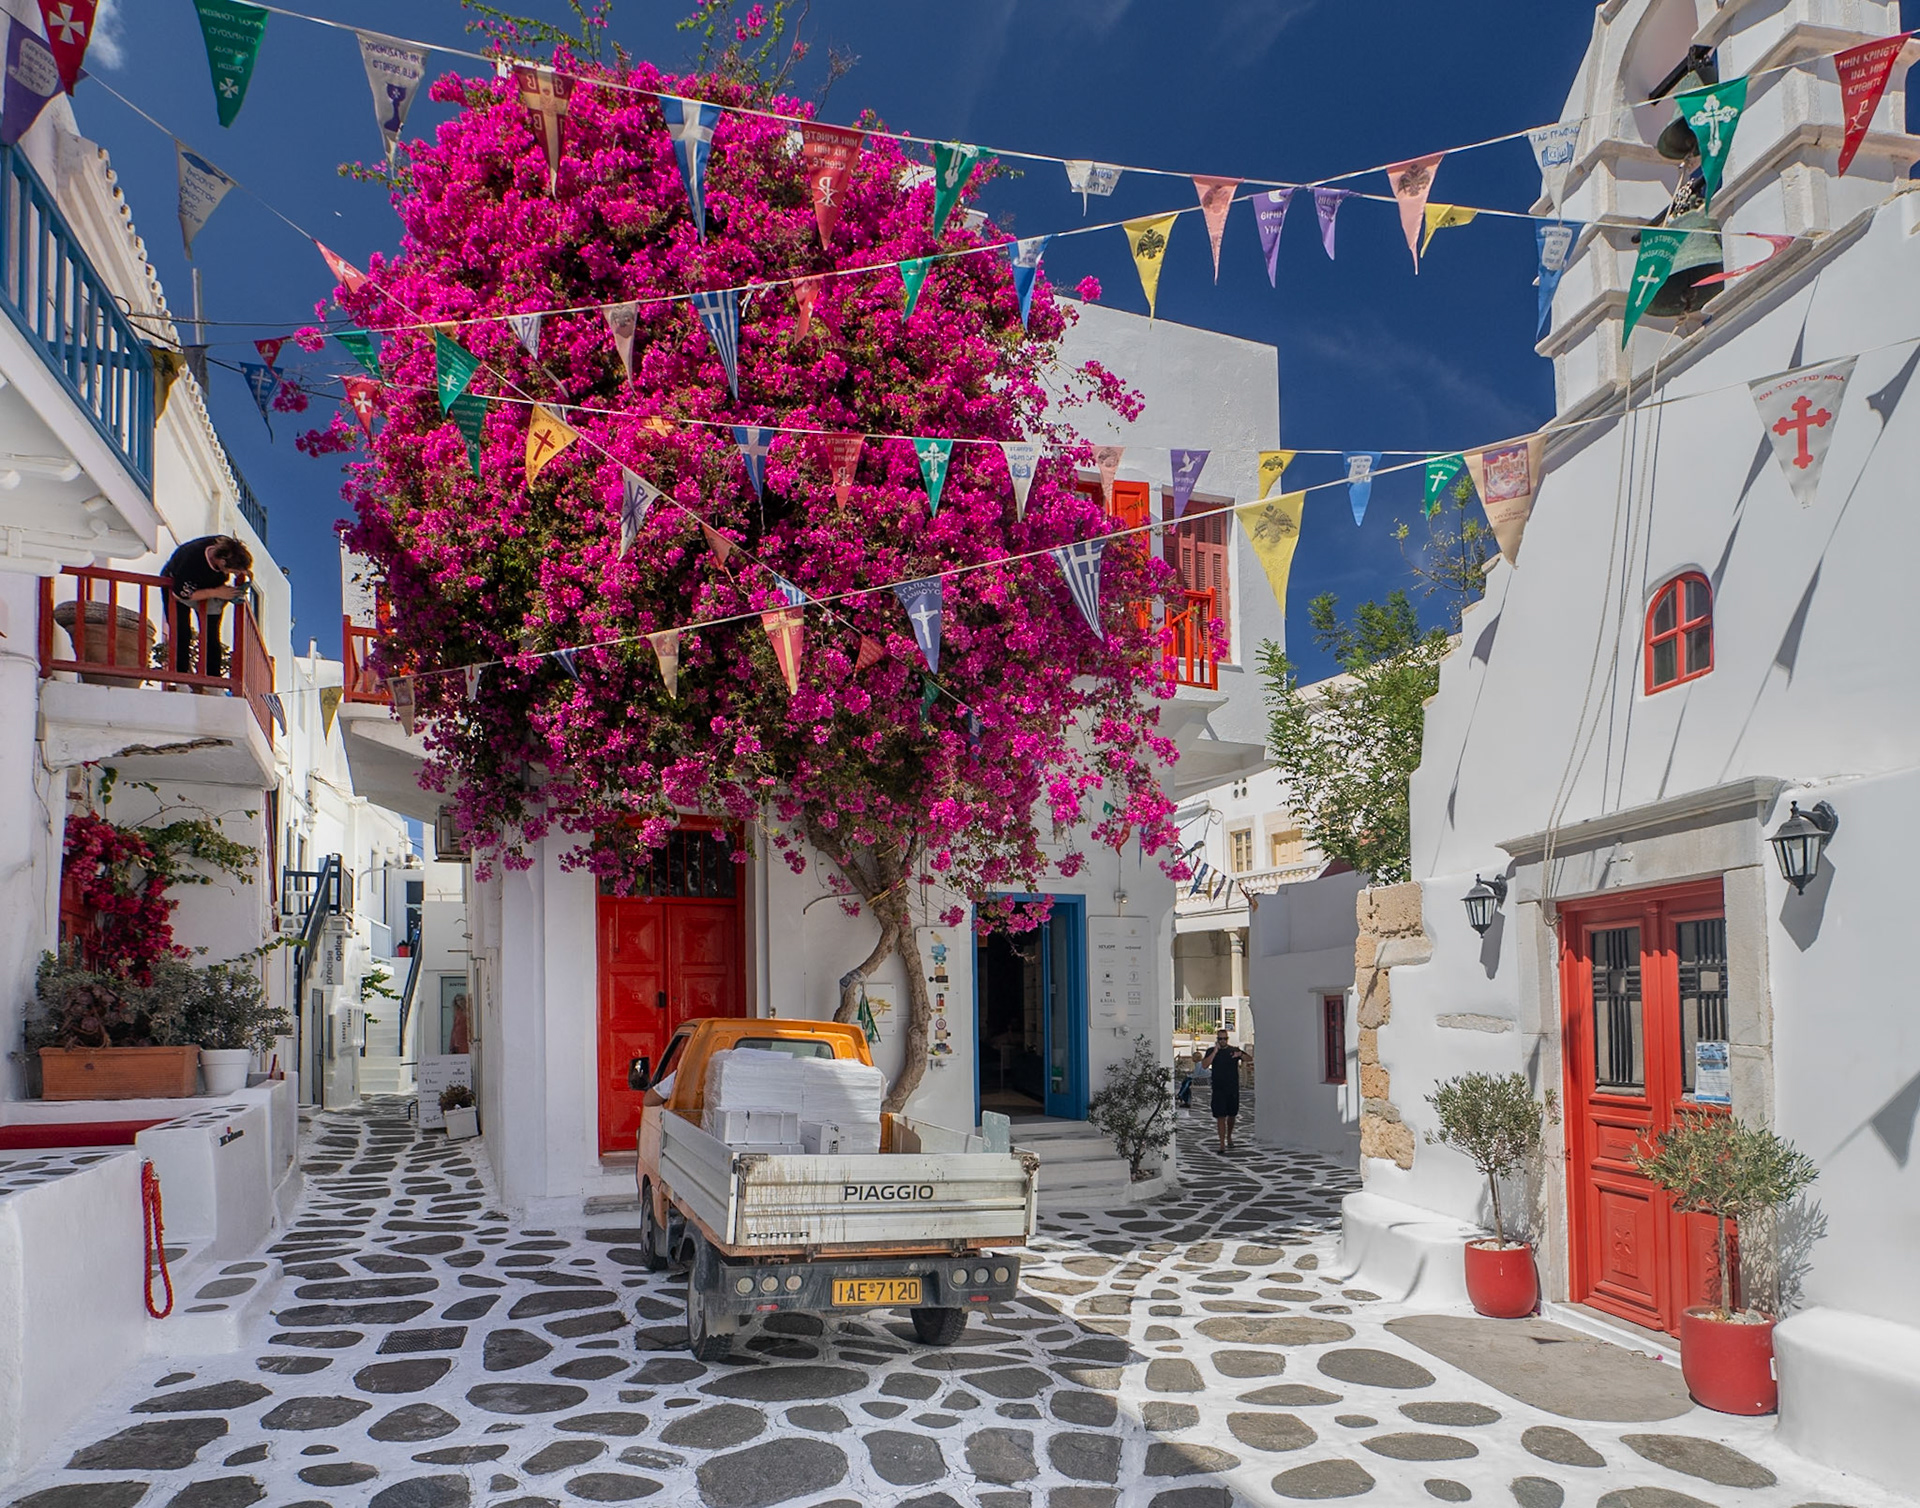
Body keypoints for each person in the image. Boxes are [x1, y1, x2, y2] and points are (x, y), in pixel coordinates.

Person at [161, 535, 253, 677]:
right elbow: (180, 594)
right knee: (182, 631)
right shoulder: (192, 560)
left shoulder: (226, 546)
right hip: (178, 587)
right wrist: (216, 592)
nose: (231, 574)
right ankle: (181, 677)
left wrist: (243, 574)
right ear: (222, 562)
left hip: (210, 588)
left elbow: (237, 563)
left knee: (212, 635)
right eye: (231, 571)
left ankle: (213, 679)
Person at [1201, 1029, 1246, 1153]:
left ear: (1227, 1039)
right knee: (1220, 1116)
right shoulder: (1211, 1051)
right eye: (1220, 1039)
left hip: (1232, 1088)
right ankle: (1222, 1143)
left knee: (1232, 1115)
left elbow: (1249, 1058)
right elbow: (1204, 1065)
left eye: (1224, 1039)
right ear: (1217, 1039)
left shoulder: (1233, 1050)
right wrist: (1215, 1052)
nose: (1222, 1041)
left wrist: (1240, 1055)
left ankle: (1229, 1137)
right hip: (1218, 1088)